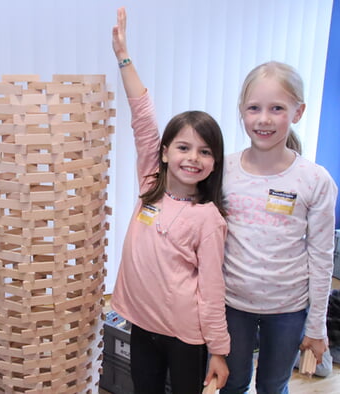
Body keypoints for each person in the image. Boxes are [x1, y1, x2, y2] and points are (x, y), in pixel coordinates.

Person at [110, 7, 230, 393]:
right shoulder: (151, 183)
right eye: (183, 147)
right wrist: (124, 58)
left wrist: (219, 350)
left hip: (185, 334)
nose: (193, 158)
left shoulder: (208, 219)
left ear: (215, 163)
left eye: (205, 151)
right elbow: (143, 119)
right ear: (163, 153)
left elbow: (212, 290)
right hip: (142, 324)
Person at [220, 61, 338, 393]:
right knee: (233, 383)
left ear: (297, 112)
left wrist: (316, 327)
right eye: (254, 108)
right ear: (242, 112)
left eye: (277, 108)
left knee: (273, 385)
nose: (264, 119)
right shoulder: (224, 170)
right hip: (232, 305)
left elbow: (321, 257)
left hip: (288, 309)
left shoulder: (315, 180)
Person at [294, 279, 340, 377]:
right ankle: (279, 353)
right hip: (320, 326)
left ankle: (317, 352)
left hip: (337, 332)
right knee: (324, 369)